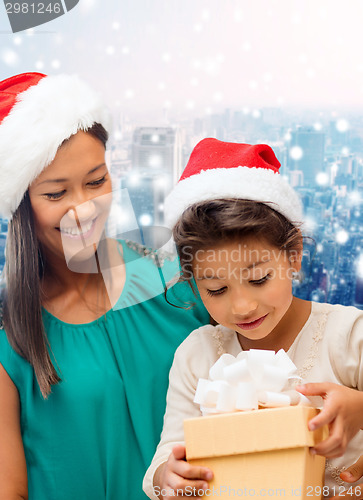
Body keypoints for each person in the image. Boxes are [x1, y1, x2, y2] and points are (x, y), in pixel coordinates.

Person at [0, 72, 210, 500]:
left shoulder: (175, 279)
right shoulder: (10, 342)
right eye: (56, 194)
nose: (84, 209)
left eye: (96, 181)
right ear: (20, 207)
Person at [143, 139, 363, 499]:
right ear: (193, 284)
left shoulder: (349, 337)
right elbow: (166, 459)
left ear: (293, 257)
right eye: (216, 289)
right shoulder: (197, 356)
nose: (242, 307)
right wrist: (168, 476)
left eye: (259, 280)